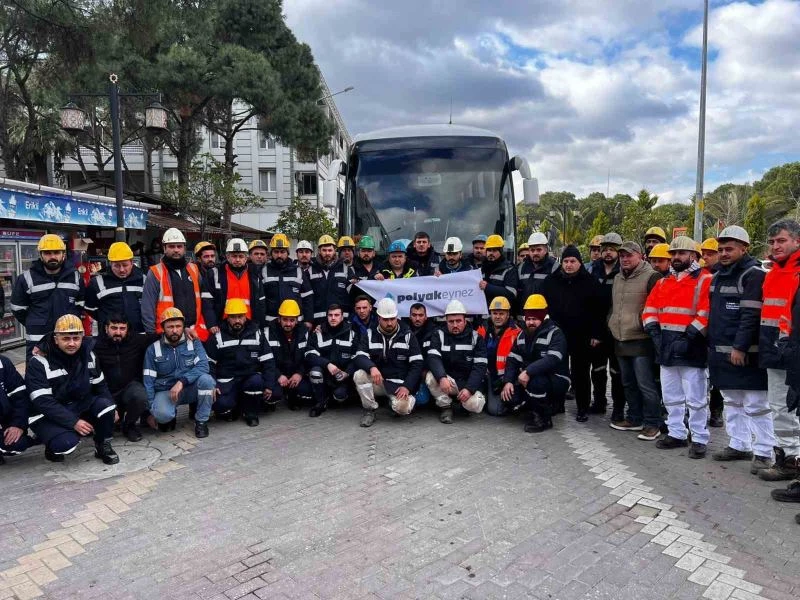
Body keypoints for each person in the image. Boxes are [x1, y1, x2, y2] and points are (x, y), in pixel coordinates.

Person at [706, 226, 775, 472]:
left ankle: (765, 452)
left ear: (744, 248)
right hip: (721, 353)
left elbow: (751, 316)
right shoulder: (717, 276)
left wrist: (740, 347)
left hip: (746, 354)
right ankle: (739, 444)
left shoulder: (753, 274)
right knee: (732, 402)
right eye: (721, 249)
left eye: (729, 249)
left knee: (757, 404)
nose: (724, 253)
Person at [643, 236, 713, 459]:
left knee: (696, 398)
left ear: (694, 256)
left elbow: (706, 313)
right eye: (673, 254)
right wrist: (653, 332)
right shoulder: (664, 282)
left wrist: (689, 337)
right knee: (671, 395)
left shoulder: (705, 280)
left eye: (681, 253)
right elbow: (649, 310)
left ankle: (699, 438)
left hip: (692, 347)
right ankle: (677, 433)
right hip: (666, 346)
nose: (676, 258)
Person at [26, 314, 118, 464]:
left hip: (78, 404)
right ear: (56, 339)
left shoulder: (89, 356)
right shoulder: (39, 362)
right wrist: (73, 422)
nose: (72, 343)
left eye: (76, 338)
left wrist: (113, 408)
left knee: (107, 407)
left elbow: (100, 386)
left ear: (82, 338)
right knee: (65, 444)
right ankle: (52, 444)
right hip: (45, 414)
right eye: (66, 338)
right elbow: (42, 402)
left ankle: (103, 445)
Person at [757, 219, 800, 482]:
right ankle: (787, 457)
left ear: (797, 241)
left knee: (789, 409)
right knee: (779, 408)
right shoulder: (772, 273)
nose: (775, 246)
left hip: (792, 351)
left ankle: (792, 460)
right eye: (772, 242)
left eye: (781, 240)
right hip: (774, 350)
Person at [607, 241, 663, 440]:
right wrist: (611, 322)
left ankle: (652, 423)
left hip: (641, 339)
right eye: (622, 256)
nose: (625, 259)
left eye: (629, 255)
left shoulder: (652, 277)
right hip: (620, 338)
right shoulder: (617, 278)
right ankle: (634, 418)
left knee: (645, 384)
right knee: (628, 383)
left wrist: (642, 324)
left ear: (640, 256)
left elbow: (657, 308)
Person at [541, 245, 603, 421]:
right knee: (557, 370)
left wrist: (596, 334)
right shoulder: (551, 281)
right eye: (566, 261)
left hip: (581, 336)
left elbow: (599, 312)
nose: (569, 265)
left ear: (579, 262)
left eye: (572, 261)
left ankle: (583, 407)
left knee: (581, 373)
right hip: (557, 335)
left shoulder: (591, 282)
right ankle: (557, 404)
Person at [143, 308, 215, 438]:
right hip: (166, 392)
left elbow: (204, 366)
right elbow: (148, 381)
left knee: (207, 380)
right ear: (163, 327)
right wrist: (151, 411)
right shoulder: (153, 349)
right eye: (170, 326)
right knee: (162, 416)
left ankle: (201, 421)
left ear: (183, 327)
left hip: (189, 388)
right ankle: (170, 415)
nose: (175, 330)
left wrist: (182, 381)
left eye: (178, 326)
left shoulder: (194, 341)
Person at [502, 294, 570, 432]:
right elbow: (512, 359)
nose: (531, 322)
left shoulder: (555, 333)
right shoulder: (522, 335)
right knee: (509, 398)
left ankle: (543, 419)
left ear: (543, 317)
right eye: (528, 319)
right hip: (530, 378)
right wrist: (508, 381)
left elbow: (553, 359)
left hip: (557, 378)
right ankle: (534, 405)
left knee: (536, 383)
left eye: (535, 319)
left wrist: (528, 371)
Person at [11, 233, 85, 358]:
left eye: (56, 252)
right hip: (38, 340)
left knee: (68, 375)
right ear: (40, 255)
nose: (52, 257)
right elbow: (18, 309)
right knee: (37, 375)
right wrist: (35, 322)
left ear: (63, 254)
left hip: (67, 340)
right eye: (47, 253)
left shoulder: (76, 277)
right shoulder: (25, 279)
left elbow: (80, 305)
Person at [353, 297, 423, 427]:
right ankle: (370, 410)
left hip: (400, 385)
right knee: (360, 375)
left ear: (397, 316)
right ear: (378, 318)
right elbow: (359, 356)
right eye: (385, 319)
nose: (390, 323)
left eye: (392, 318)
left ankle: (395, 403)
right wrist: (372, 367)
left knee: (403, 408)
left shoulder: (408, 335)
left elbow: (417, 364)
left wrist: (407, 386)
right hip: (380, 382)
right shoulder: (369, 334)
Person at [206, 299, 275, 427]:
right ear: (227, 318)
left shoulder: (257, 333)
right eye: (233, 317)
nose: (237, 320)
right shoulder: (217, 335)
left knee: (257, 382)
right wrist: (212, 384)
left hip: (249, 378)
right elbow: (209, 363)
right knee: (220, 405)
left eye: (240, 316)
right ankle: (233, 408)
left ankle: (250, 413)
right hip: (227, 380)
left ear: (246, 316)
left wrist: (269, 385)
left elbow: (268, 360)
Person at [93, 314, 156, 442]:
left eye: (122, 328)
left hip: (130, 387)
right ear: (106, 328)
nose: (118, 332)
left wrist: (186, 330)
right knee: (103, 427)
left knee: (140, 396)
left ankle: (129, 426)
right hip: (107, 391)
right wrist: (43, 346)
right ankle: (115, 420)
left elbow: (162, 335)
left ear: (127, 329)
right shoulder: (95, 343)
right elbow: (70, 342)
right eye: (114, 328)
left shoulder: (137, 340)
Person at [424, 300, 487, 424]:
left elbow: (480, 366)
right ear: (446, 321)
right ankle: (445, 408)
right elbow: (433, 358)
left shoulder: (476, 338)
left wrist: (469, 389)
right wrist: (442, 377)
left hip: (467, 382)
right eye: (451, 321)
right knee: (430, 377)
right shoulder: (439, 335)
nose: (455, 325)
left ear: (465, 320)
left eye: (458, 321)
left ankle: (464, 406)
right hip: (448, 381)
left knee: (475, 404)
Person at [141, 228, 208, 341]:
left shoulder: (194, 269)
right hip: (167, 334)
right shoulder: (155, 272)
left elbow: (204, 299)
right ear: (164, 248)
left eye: (179, 246)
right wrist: (151, 334)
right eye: (171, 246)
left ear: (184, 248)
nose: (176, 250)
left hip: (194, 331)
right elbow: (148, 307)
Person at [588, 232, 624, 416]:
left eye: (612, 249)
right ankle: (599, 401)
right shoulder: (592, 270)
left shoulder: (624, 271)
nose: (608, 253)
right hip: (596, 329)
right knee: (598, 370)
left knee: (617, 372)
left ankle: (618, 408)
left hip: (617, 330)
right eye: (605, 249)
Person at [201, 238, 266, 333]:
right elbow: (207, 302)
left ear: (246, 257)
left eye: (241, 256)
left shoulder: (255, 274)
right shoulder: (214, 274)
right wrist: (212, 323)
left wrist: (260, 325)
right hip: (223, 325)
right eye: (234, 256)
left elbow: (261, 303)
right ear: (227, 257)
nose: (238, 259)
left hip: (249, 324)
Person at [305, 304, 358, 417]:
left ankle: (335, 398)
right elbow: (309, 355)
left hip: (343, 377)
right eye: (330, 315)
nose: (333, 318)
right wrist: (327, 364)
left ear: (342, 317)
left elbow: (356, 358)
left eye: (336, 315)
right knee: (315, 371)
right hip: (325, 374)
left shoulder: (352, 333)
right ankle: (320, 402)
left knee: (340, 395)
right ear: (327, 316)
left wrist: (347, 373)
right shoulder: (317, 333)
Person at [84, 242, 145, 334]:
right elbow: (89, 309)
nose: (121, 270)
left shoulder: (144, 280)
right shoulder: (96, 282)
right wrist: (105, 319)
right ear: (110, 263)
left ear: (132, 262)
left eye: (125, 265)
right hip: (109, 338)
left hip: (138, 335)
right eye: (116, 265)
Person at [263, 300, 312, 411]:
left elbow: (308, 357)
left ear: (297, 320)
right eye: (285, 319)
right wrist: (278, 375)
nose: (288, 323)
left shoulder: (305, 333)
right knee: (274, 395)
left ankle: (293, 397)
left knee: (307, 391)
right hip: (276, 376)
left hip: (295, 375)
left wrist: (299, 374)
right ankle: (273, 400)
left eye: (292, 320)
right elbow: (265, 360)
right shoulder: (267, 333)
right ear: (279, 319)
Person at [479, 296, 520, 416]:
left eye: (501, 313)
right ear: (490, 314)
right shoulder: (482, 330)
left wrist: (508, 380)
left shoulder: (516, 333)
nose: (497, 317)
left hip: (503, 378)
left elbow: (518, 362)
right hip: (484, 374)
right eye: (494, 313)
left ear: (508, 314)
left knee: (495, 411)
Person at [262, 234, 313, 324]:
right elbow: (260, 301)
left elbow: (307, 297)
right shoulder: (264, 270)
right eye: (276, 252)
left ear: (288, 252)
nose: (279, 255)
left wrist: (308, 320)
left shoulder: (298, 270)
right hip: (271, 323)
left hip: (295, 323)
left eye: (282, 252)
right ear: (271, 253)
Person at [701, 237, 724, 427]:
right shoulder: (700, 275)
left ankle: (716, 411)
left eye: (710, 254)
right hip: (702, 332)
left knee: (717, 378)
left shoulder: (722, 275)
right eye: (704, 254)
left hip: (717, 333)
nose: (706, 257)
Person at [308, 235, 356, 325]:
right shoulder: (311, 269)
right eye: (324, 250)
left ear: (334, 251)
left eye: (330, 250)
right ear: (319, 251)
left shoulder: (345, 268)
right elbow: (307, 298)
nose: (327, 253)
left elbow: (352, 295)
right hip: (317, 321)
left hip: (340, 321)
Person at [0, 354, 31, 463]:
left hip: (3, 423)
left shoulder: (4, 363)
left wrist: (17, 425)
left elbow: (20, 397)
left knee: (18, 443)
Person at [407, 302, 437, 407]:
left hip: (424, 371)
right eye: (414, 315)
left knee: (422, 400)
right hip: (408, 370)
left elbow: (434, 357)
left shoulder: (434, 332)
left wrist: (423, 370)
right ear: (410, 316)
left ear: (426, 316)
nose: (417, 318)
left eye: (420, 315)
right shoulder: (403, 330)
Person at [479, 234, 518, 307]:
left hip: (501, 314)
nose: (491, 253)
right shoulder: (482, 269)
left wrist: (488, 287)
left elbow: (511, 294)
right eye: (489, 250)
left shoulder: (509, 269)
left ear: (501, 251)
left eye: (494, 250)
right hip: (484, 314)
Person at [518, 231, 558, 302]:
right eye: (532, 250)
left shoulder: (554, 267)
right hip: (525, 312)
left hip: (546, 312)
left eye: (539, 250)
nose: (535, 253)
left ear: (546, 250)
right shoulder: (521, 268)